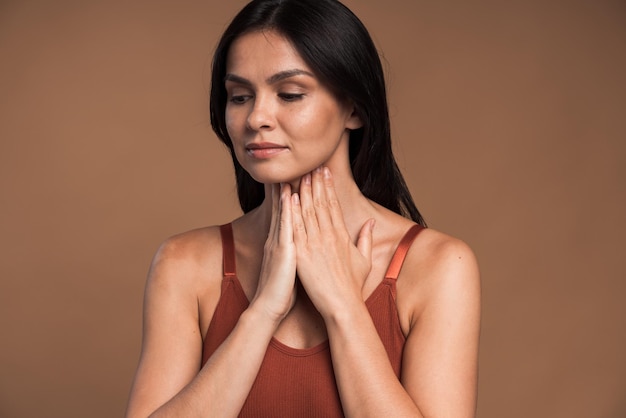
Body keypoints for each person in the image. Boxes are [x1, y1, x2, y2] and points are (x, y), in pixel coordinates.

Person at [126, 0, 481, 416]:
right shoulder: (184, 263)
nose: (257, 116)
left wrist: (343, 307)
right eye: (239, 96)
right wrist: (262, 313)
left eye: (290, 94)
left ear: (354, 108)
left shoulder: (438, 266)